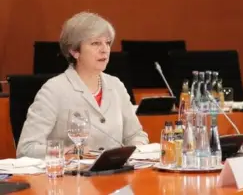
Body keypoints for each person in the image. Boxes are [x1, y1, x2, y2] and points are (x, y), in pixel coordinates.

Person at [17, 12, 149, 158]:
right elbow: (26, 149)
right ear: (74, 51)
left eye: (107, 42)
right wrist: (65, 151)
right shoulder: (54, 90)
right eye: (95, 43)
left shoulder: (116, 85)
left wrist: (138, 148)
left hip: (115, 175)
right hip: (71, 177)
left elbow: (136, 135)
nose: (104, 49)